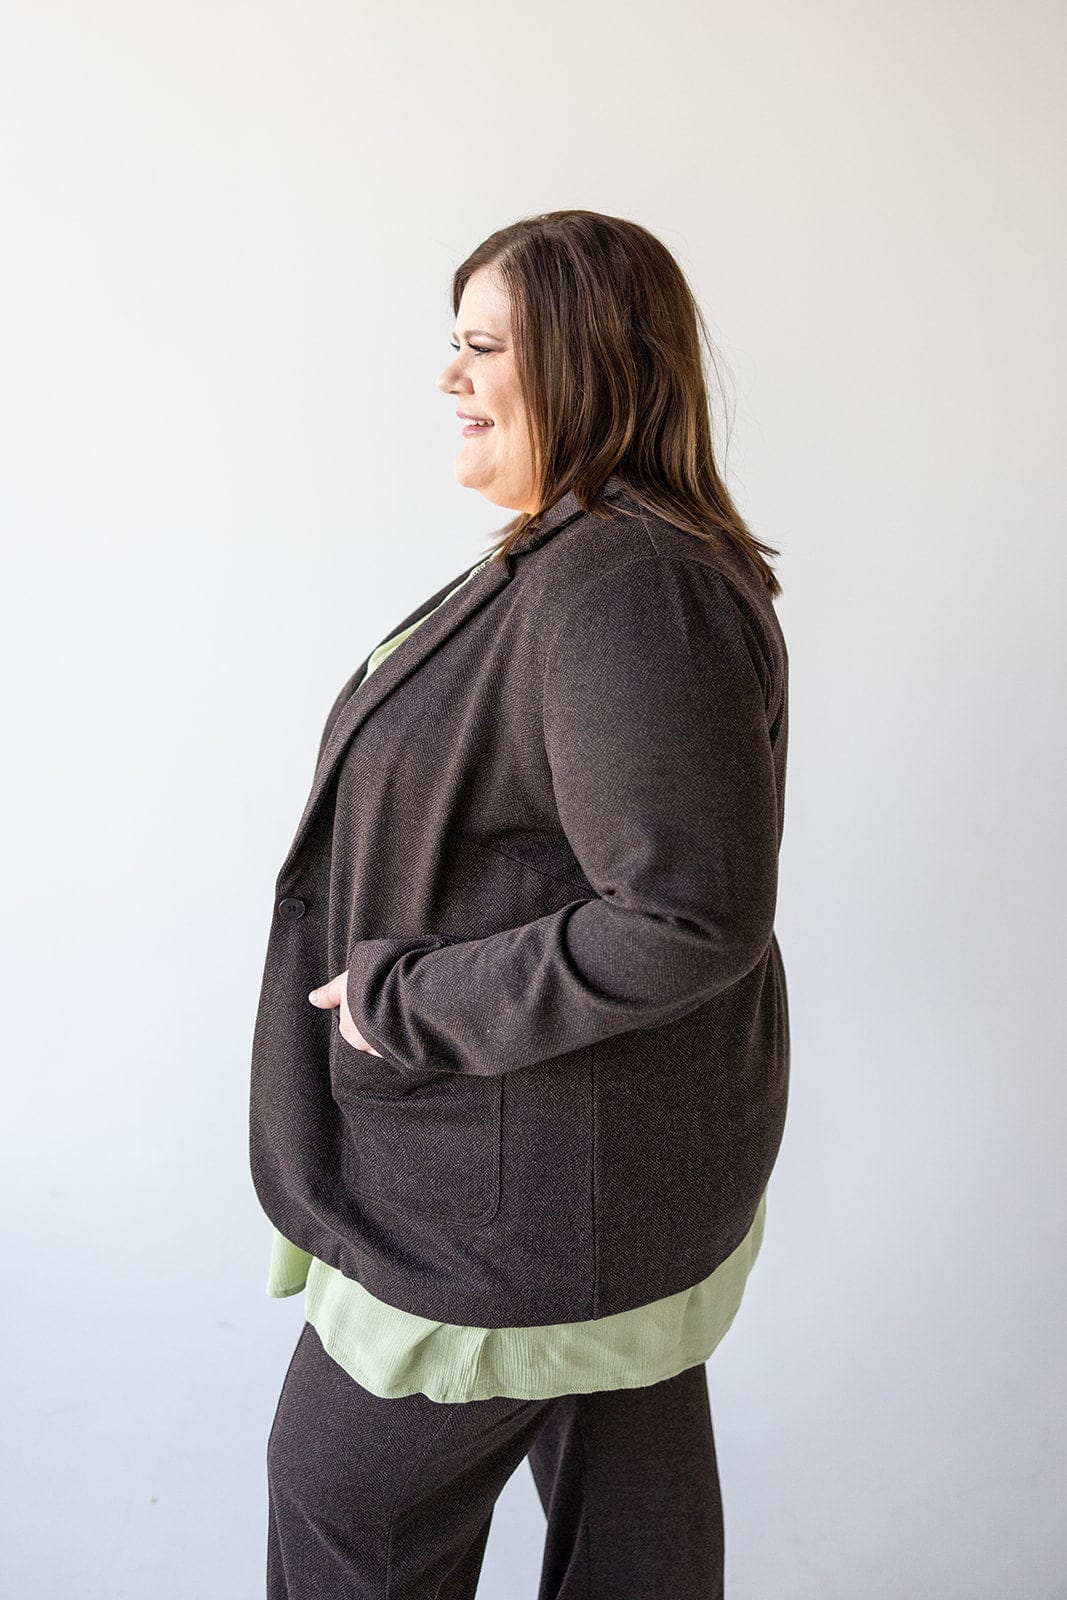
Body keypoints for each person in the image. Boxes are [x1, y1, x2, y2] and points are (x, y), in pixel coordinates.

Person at [249, 208, 790, 1599]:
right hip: (573, 1177)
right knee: (637, 1534)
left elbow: (681, 914)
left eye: (483, 346)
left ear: (590, 364)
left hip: (518, 1201)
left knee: (342, 1513)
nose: (450, 379)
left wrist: (400, 1000)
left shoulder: (622, 582)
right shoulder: (574, 557)